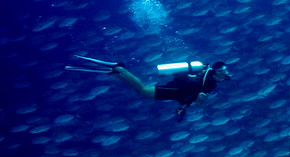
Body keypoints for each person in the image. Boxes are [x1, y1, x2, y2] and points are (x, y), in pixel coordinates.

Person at [66, 56, 231, 120]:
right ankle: (119, 68)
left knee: (142, 91)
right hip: (175, 90)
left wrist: (183, 107)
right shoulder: (210, 81)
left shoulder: (204, 71)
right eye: (224, 71)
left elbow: (192, 94)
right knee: (143, 91)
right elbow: (200, 98)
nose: (226, 74)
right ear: (218, 71)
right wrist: (202, 100)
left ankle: (114, 72)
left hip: (175, 89)